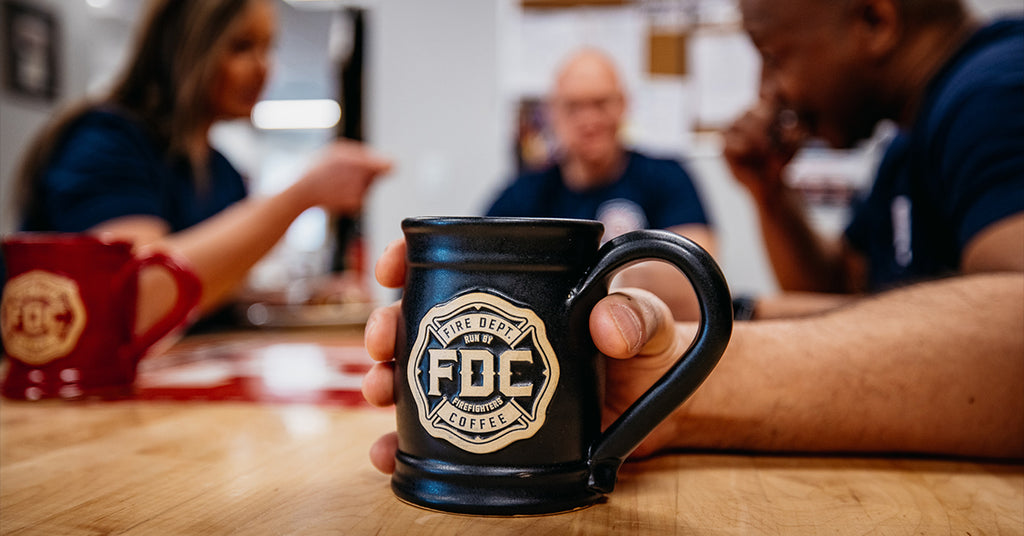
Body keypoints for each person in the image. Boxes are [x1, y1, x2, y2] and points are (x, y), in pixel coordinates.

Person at [360, 0, 1023, 472]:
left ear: (875, 20)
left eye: (775, 55)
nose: (770, 90)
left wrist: (675, 383)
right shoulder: (908, 141)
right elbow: (853, 295)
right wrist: (769, 197)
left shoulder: (995, 93)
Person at [10, 0, 391, 332]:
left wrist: (305, 297)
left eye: (267, 48)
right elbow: (138, 298)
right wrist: (302, 194)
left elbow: (212, 293)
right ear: (185, 45)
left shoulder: (222, 171)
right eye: (241, 47)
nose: (263, 69)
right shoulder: (104, 140)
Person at [487, 48, 714, 319]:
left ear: (623, 105)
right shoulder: (524, 193)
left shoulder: (667, 176)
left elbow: (694, 273)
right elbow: (481, 268)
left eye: (601, 103)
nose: (589, 120)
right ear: (552, 113)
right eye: (573, 107)